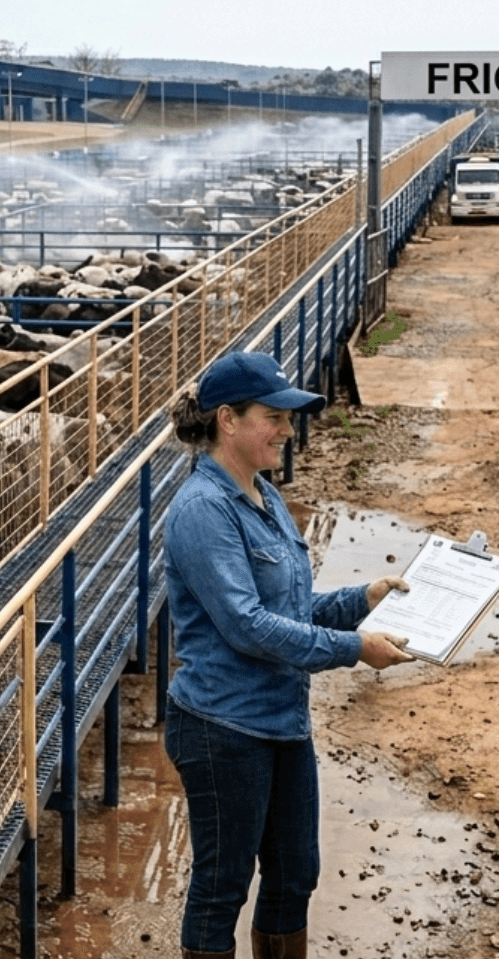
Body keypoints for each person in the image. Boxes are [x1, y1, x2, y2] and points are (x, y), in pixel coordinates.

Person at [162, 350, 415, 959]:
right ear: (228, 419)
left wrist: (364, 597)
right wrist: (355, 650)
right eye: (273, 416)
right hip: (223, 726)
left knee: (294, 876)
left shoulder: (265, 497)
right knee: (222, 885)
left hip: (281, 720)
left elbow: (292, 609)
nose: (286, 429)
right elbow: (249, 627)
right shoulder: (202, 510)